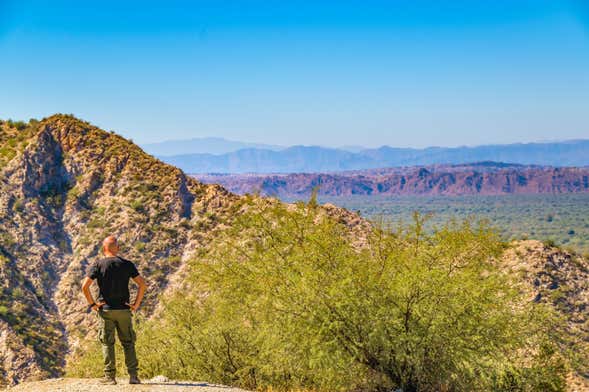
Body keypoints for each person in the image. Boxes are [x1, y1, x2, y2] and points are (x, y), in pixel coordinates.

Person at [81, 235, 147, 385]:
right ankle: (133, 376)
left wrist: (93, 305)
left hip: (106, 311)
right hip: (124, 310)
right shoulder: (127, 264)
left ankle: (110, 377)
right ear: (117, 248)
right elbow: (142, 285)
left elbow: (84, 287)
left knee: (107, 343)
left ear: (104, 248)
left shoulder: (98, 265)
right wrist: (136, 305)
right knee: (128, 342)